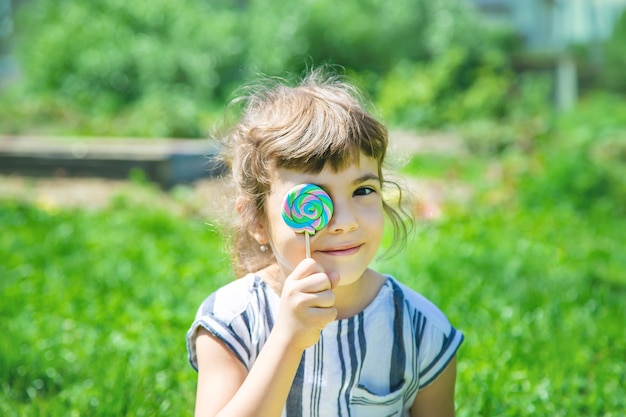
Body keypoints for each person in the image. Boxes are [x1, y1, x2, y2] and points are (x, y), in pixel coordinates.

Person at [186, 67, 464, 417]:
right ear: (257, 220)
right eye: (313, 196)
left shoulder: (419, 329)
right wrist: (288, 338)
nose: (344, 223)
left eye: (362, 190)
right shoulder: (232, 321)